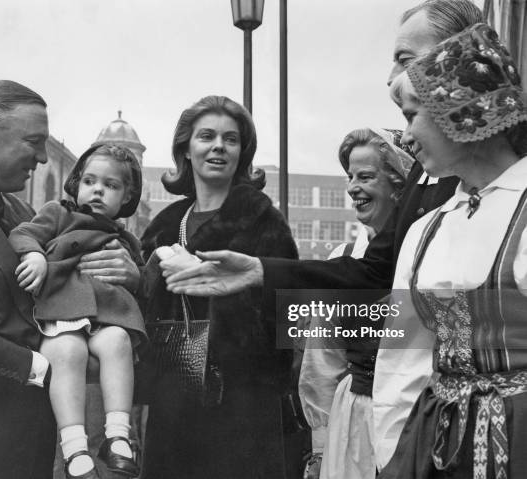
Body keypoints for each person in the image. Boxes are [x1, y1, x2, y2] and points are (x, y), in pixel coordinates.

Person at [163, 0, 482, 301]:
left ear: (461, 57)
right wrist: (260, 271)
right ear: (185, 148)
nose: (390, 79)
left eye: (405, 59)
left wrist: (341, 331)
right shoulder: (425, 179)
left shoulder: (509, 186)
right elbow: (376, 273)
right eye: (206, 136)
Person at [0, 80, 140, 479]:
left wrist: (126, 274)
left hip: (26, 442)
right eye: (33, 142)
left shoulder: (22, 212)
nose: (40, 157)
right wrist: (46, 367)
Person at [377, 23, 527, 478]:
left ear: (459, 108)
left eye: (411, 115)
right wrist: (391, 457)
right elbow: (402, 360)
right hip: (435, 442)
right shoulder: (426, 228)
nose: (403, 137)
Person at [139, 95, 298, 479]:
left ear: (242, 153)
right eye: (206, 136)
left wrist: (210, 284)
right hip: (172, 399)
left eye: (230, 139)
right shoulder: (165, 223)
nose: (218, 147)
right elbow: (142, 308)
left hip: (242, 403)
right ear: (186, 149)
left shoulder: (263, 220)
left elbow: (289, 313)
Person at [8, 144, 147, 479]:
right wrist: (36, 256)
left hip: (107, 317)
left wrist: (137, 276)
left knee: (118, 342)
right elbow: (24, 233)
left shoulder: (125, 237)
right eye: (90, 181)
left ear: (126, 198)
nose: (98, 189)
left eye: (111, 186)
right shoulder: (59, 213)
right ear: (76, 184)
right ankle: (74, 447)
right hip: (62, 312)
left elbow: (140, 279)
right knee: (66, 351)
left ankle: (117, 435)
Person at [299, 128, 411, 479]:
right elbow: (323, 357)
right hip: (354, 419)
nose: (352, 187)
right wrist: (319, 447)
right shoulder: (342, 257)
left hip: (413, 417)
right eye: (350, 177)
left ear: (397, 184)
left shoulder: (426, 253)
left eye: (365, 176)